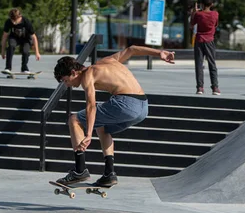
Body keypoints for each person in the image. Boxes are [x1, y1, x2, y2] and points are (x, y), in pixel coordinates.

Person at [53, 46, 175, 187]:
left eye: (66, 81)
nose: (68, 85)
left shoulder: (88, 75)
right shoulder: (108, 60)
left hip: (126, 104)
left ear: (74, 72)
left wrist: (88, 134)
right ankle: (109, 174)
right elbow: (132, 49)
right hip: (143, 107)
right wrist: (159, 52)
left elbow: (91, 106)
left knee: (74, 120)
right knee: (102, 127)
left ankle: (80, 171)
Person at [190, 0, 220, 95]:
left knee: (199, 65)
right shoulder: (215, 14)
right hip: (210, 41)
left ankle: (200, 88)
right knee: (212, 64)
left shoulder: (198, 14)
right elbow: (215, 25)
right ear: (211, 4)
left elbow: (191, 24)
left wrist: (194, 12)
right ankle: (215, 87)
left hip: (199, 41)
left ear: (202, 4)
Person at [1, 8, 40, 72]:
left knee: (25, 51)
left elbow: (34, 37)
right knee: (11, 46)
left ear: (20, 17)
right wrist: (2, 51)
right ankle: (8, 68)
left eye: (15, 20)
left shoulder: (26, 22)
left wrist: (37, 52)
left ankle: (24, 68)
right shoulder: (8, 22)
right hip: (14, 38)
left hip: (26, 39)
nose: (14, 22)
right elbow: (4, 37)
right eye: (12, 20)